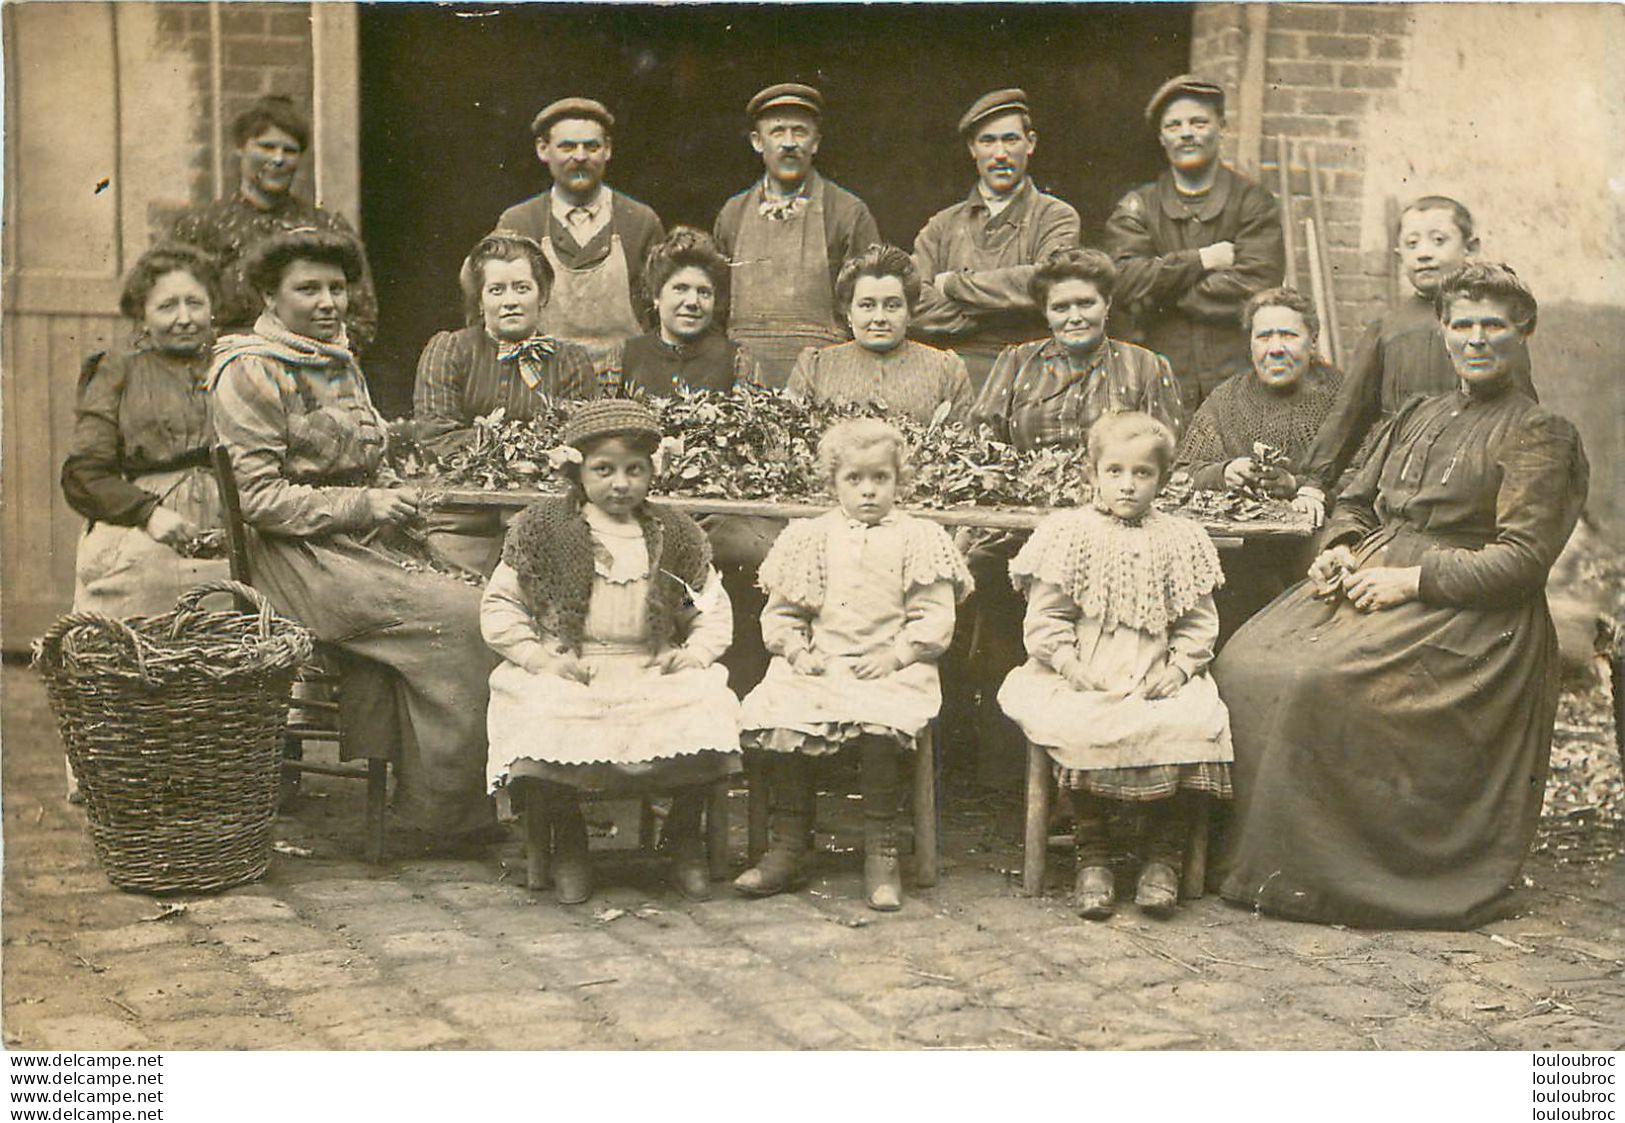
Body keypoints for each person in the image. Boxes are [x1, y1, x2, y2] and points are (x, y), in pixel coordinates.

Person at [1216, 264, 1589, 929]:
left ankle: (1327, 875)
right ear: (1442, 330)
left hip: (1470, 616)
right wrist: (1337, 544)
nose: (1475, 339)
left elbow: (1521, 561)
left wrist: (1408, 579)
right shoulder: (1416, 411)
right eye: (1462, 324)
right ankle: (1249, 859)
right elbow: (1356, 496)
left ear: (1521, 331)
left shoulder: (1540, 432)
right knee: (1242, 658)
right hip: (1372, 571)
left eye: (1492, 326)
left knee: (1316, 680)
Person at [210, 229, 494, 840]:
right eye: (306, 289)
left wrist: (401, 494)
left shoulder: (335, 357)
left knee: (490, 597)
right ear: (268, 295)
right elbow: (259, 499)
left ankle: (437, 796)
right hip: (296, 561)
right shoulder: (251, 371)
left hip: (359, 546)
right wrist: (367, 505)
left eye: (336, 288)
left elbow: (370, 456)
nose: (327, 302)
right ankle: (440, 816)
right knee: (464, 618)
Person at [481, 400, 741, 905]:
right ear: (577, 471)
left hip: (649, 664)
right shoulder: (543, 529)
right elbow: (501, 607)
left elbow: (709, 606)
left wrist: (695, 653)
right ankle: (570, 839)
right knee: (542, 709)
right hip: (572, 665)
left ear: (652, 472)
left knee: (708, 699)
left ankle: (684, 838)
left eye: (634, 470)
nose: (620, 484)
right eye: (604, 470)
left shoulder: (674, 533)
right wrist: (540, 659)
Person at [998, 412, 1231, 919]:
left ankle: (1162, 855)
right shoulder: (1068, 533)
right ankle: (1094, 852)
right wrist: (1069, 664)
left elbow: (1197, 622)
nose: (1128, 485)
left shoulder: (1182, 538)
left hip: (1155, 670)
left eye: (1142, 474)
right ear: (1093, 473)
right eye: (1115, 472)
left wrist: (1181, 667)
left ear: (1162, 479)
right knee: (1083, 724)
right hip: (1084, 669)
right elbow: (1047, 618)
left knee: (1191, 719)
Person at [735, 419, 972, 910]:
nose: (868, 491)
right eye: (854, 480)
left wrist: (898, 654)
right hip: (822, 661)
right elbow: (783, 613)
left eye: (880, 479)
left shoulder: (919, 537)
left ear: (898, 481)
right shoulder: (810, 536)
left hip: (893, 663)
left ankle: (880, 847)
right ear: (833, 481)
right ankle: (790, 843)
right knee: (783, 713)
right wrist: (798, 650)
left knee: (880, 723)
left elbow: (934, 617)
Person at [1300, 195, 1537, 499]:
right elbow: (1351, 409)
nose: (1424, 254)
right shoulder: (1386, 329)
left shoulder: (1491, 325)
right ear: (1399, 255)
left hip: (1473, 471)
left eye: (1438, 240)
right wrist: (1315, 482)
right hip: (1396, 472)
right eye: (1412, 244)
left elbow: (1520, 404)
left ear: (1471, 248)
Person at [414, 231, 599, 573]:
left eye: (522, 288)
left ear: (542, 296)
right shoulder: (450, 350)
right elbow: (436, 436)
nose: (509, 301)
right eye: (496, 290)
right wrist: (526, 456)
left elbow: (583, 441)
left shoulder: (570, 360)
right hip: (464, 513)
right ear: (479, 300)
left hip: (547, 507)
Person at [63, 244, 229, 618]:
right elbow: (83, 475)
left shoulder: (237, 363)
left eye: (195, 303)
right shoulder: (118, 371)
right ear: (142, 315)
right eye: (167, 306)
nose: (184, 318)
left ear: (213, 305)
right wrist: (148, 515)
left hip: (232, 524)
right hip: (144, 527)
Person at [1105, 76, 1284, 411]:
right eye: (1173, 125)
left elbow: (1258, 282)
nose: (1186, 132)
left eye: (1199, 122)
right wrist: (1200, 261)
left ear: (1221, 127)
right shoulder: (1139, 206)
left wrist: (1163, 295)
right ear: (1161, 137)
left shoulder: (1253, 202)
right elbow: (1122, 280)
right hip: (1158, 376)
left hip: (1238, 375)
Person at [1174, 287, 1343, 636]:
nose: (1275, 348)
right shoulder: (1227, 400)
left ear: (1313, 341)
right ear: (1250, 343)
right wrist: (1223, 473)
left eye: (1289, 335)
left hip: (1316, 555)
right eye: (1264, 336)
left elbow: (1370, 473)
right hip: (1240, 561)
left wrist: (1301, 485)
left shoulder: (1343, 398)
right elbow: (1181, 472)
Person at [172, 96, 378, 349]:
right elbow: (171, 303)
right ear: (241, 148)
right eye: (267, 147)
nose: (278, 159)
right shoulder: (200, 226)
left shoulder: (327, 228)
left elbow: (362, 319)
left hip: (310, 366)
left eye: (289, 150)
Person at [910, 89, 1081, 388]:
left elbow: (1046, 284)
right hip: (956, 374)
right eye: (987, 141)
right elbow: (913, 302)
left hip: (1035, 372)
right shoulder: (942, 226)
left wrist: (952, 285)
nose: (1000, 153)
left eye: (1010, 139)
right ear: (972, 149)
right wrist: (1006, 312)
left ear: (1031, 143)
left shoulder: (1057, 217)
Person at [714, 83, 881, 386]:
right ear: (757, 141)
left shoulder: (847, 211)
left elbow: (872, 303)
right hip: (744, 374)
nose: (789, 143)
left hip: (826, 372)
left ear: (815, 143)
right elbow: (716, 308)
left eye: (800, 132)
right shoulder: (732, 213)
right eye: (777, 132)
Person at [491, 97, 665, 372]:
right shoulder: (520, 222)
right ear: (543, 149)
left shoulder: (641, 221)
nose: (581, 156)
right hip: (543, 379)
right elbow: (491, 312)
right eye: (567, 146)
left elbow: (662, 316)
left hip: (628, 384)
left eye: (592, 146)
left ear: (607, 150)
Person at [972, 248, 1186, 452]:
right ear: (1045, 313)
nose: (1074, 317)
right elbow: (981, 443)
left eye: (1086, 304)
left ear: (1107, 304)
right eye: (1060, 308)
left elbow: (1165, 450)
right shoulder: (1018, 361)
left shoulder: (1145, 365)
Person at [786, 244, 974, 424]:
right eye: (867, 305)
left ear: (909, 312)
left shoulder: (946, 370)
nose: (880, 318)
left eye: (892, 306)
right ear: (849, 313)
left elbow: (963, 445)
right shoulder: (816, 368)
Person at [602, 227, 763, 396]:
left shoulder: (737, 361)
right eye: (680, 289)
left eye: (704, 292)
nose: (693, 302)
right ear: (656, 296)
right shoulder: (625, 357)